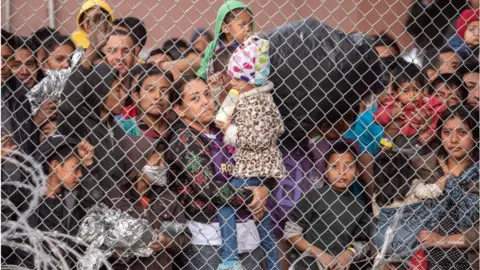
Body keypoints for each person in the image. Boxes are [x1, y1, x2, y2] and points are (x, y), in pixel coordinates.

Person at [166, 75, 269, 270]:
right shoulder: (184, 137)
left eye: (206, 94)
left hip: (246, 230)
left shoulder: (222, 129)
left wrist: (265, 189)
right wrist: (252, 196)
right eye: (194, 98)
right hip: (210, 238)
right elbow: (207, 187)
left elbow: (260, 159)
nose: (205, 101)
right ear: (179, 110)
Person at [213, 37, 283, 270]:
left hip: (254, 166)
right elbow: (278, 126)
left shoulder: (254, 102)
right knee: (259, 216)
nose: (230, 81)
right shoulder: (256, 97)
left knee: (226, 201)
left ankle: (230, 258)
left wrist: (230, 131)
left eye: (236, 78)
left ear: (250, 80)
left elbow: (260, 136)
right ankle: (273, 265)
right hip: (259, 166)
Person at [285, 142, 369, 270]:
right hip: (308, 264)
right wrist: (319, 254)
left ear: (357, 171)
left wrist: (350, 253)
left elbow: (363, 242)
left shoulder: (359, 206)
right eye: (334, 166)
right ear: (325, 171)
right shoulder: (314, 197)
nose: (342, 172)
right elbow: (291, 233)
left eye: (349, 166)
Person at [111, 139, 191, 270]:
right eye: (157, 163)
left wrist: (168, 242)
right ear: (137, 166)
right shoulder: (116, 198)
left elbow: (183, 236)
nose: (163, 167)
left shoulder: (168, 198)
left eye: (163, 162)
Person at [416, 104, 479, 270]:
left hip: (470, 263)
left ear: (477, 137)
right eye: (447, 132)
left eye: (462, 132)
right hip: (422, 261)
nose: (453, 140)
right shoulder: (423, 168)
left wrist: (444, 240)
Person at [57, 62, 130, 202]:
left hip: (114, 203)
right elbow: (68, 106)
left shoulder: (116, 129)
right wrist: (88, 57)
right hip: (82, 201)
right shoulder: (80, 123)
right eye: (117, 89)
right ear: (99, 92)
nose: (124, 95)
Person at [24, 136, 96, 268]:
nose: (80, 175)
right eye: (76, 168)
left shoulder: (74, 199)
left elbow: (95, 197)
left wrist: (89, 163)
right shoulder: (25, 198)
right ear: (55, 166)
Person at [374, 64, 447, 147]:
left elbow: (440, 120)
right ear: (396, 93)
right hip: (397, 140)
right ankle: (387, 153)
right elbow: (377, 118)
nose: (412, 96)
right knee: (388, 148)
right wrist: (391, 113)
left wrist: (430, 132)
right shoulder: (393, 104)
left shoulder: (429, 102)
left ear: (423, 89)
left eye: (416, 90)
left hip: (420, 141)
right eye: (405, 91)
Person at [197, 0, 253, 79]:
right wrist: (202, 79)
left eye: (249, 24)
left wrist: (249, 45)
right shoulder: (213, 47)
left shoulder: (250, 46)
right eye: (242, 25)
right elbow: (204, 68)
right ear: (226, 28)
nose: (248, 28)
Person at [119, 67, 174, 139]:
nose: (157, 96)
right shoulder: (123, 128)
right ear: (137, 95)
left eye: (164, 91)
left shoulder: (178, 128)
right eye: (150, 90)